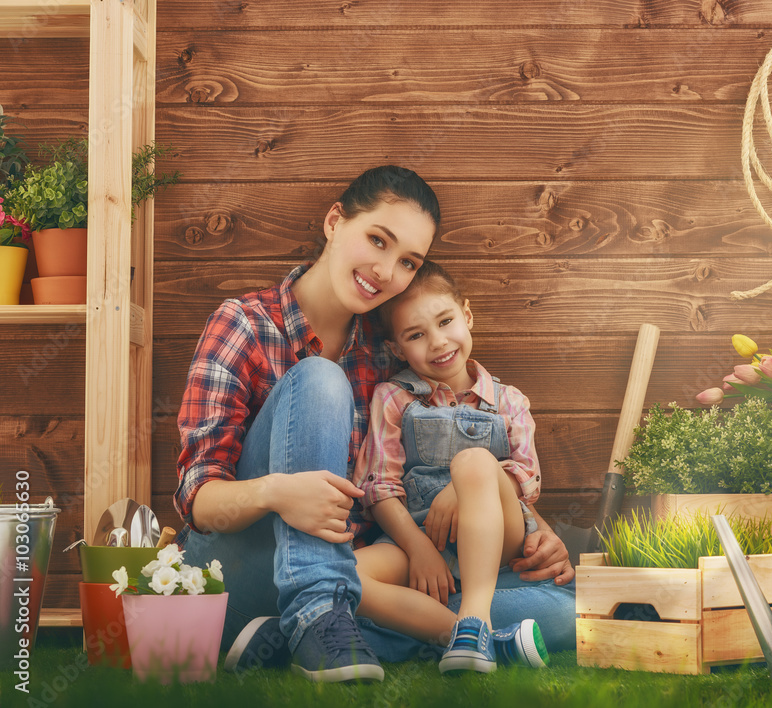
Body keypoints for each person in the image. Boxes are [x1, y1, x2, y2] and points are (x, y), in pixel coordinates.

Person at [174, 165, 576, 684]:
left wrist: (541, 534)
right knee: (318, 378)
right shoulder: (246, 325)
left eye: (407, 261)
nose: (387, 271)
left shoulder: (395, 354)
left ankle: (298, 635)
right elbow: (196, 499)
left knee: (561, 615)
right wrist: (277, 493)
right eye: (378, 240)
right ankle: (317, 615)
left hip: (365, 574)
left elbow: (458, 473)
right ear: (335, 221)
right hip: (246, 566)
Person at [352, 261, 547, 673]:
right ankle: (473, 638)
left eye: (446, 321)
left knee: (475, 460)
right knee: (345, 574)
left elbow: (526, 480)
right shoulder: (394, 398)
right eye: (416, 335)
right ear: (396, 349)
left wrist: (463, 484)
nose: (438, 342)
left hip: (501, 536)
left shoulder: (509, 400)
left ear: (467, 314)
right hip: (422, 536)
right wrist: (420, 549)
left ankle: (475, 615)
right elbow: (378, 487)